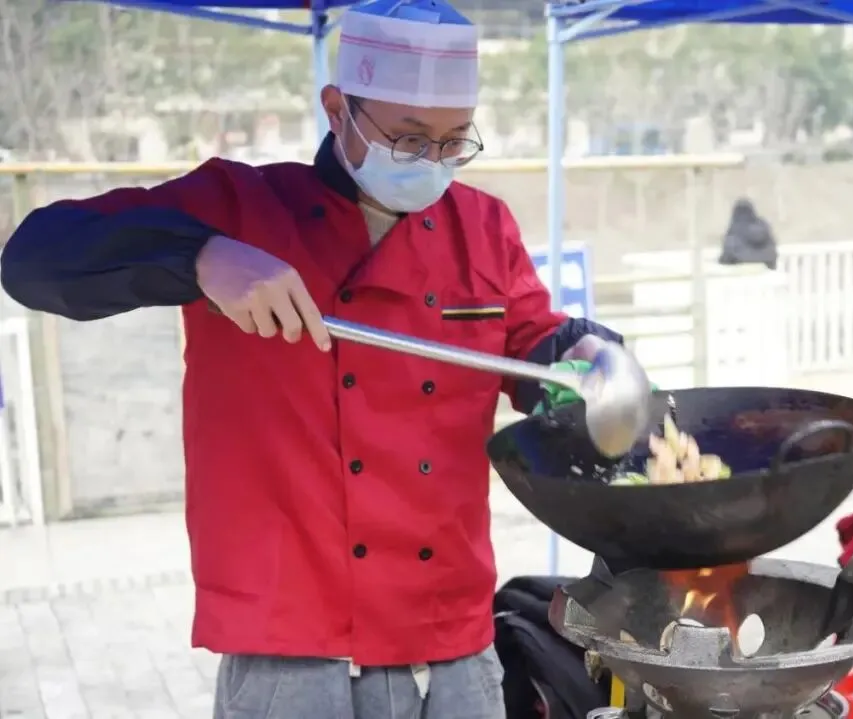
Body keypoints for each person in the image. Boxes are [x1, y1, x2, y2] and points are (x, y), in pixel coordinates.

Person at [0, 2, 626, 718]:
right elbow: (32, 258)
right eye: (409, 137)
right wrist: (199, 256)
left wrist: (582, 360)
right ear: (337, 109)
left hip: (453, 637)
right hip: (293, 649)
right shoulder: (241, 210)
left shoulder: (483, 227)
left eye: (454, 140)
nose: (433, 160)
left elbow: (533, 346)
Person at [717, 198, 777, 270]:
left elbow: (727, 255)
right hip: (766, 269)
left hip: (740, 270)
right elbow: (772, 253)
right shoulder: (763, 226)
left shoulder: (735, 229)